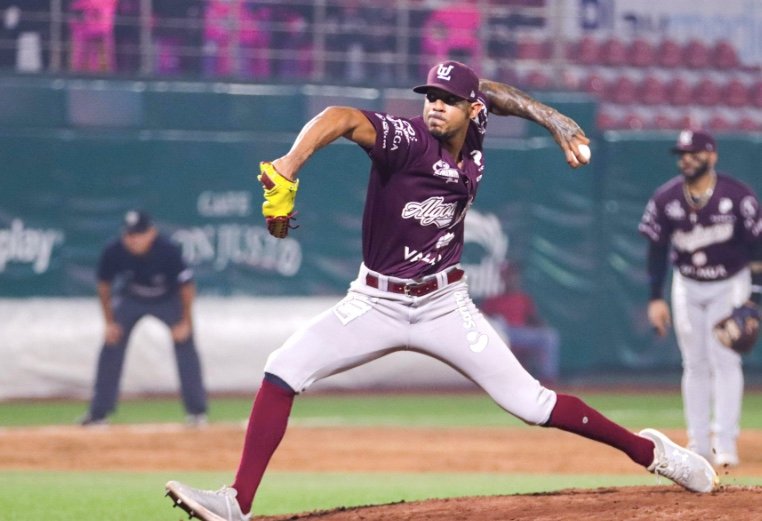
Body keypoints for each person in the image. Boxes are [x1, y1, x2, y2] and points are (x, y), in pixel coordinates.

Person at [165, 61, 717, 521]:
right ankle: (237, 502)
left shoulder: (474, 130)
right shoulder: (406, 139)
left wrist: (552, 118)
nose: (435, 105)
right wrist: (289, 164)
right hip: (376, 302)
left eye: (449, 100)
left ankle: (652, 452)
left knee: (533, 404)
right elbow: (340, 118)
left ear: (470, 111)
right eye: (431, 95)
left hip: (444, 304)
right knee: (283, 368)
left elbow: (493, 93)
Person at [639, 129, 762, 467]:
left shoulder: (737, 196)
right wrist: (655, 298)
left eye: (695, 153)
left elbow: (757, 250)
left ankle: (725, 442)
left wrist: (754, 297)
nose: (687, 159)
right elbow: (656, 251)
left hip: (729, 282)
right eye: (683, 154)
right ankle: (698, 443)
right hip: (688, 284)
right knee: (694, 363)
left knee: (725, 359)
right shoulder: (666, 198)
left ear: (712, 155)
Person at [80, 209, 208, 427]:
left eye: (139, 234)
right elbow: (104, 286)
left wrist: (185, 322)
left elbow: (186, 287)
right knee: (112, 341)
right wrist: (109, 323)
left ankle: (196, 412)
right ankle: (98, 413)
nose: (134, 240)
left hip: (167, 298)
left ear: (151, 233)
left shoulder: (167, 250)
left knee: (185, 341)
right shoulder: (114, 250)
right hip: (132, 298)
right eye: (129, 234)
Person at [480, 263, 560, 384]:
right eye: (509, 276)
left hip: (521, 334)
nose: (512, 280)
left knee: (549, 336)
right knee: (499, 325)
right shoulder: (493, 299)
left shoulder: (523, 298)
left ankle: (548, 378)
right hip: (502, 335)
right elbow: (483, 320)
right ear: (503, 279)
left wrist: (541, 325)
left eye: (514, 276)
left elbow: (533, 319)